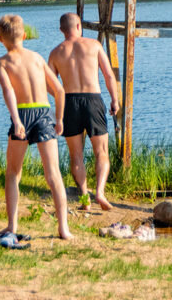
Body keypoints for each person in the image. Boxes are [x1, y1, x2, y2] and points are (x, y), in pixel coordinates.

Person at [0, 14, 72, 240]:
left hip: (23, 113)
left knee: (13, 173)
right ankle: (63, 228)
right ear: (25, 35)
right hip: (43, 111)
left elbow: (8, 91)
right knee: (53, 174)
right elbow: (59, 91)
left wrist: (17, 121)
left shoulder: (1, 63)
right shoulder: (37, 58)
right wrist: (59, 119)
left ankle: (11, 226)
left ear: (0, 39)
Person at [48, 12, 119, 211]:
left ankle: (85, 198)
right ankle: (100, 193)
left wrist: (61, 97)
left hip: (69, 101)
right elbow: (108, 75)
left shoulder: (55, 53)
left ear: (62, 30)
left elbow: (49, 85)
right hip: (93, 99)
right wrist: (115, 100)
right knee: (101, 152)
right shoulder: (94, 46)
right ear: (79, 26)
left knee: (76, 155)